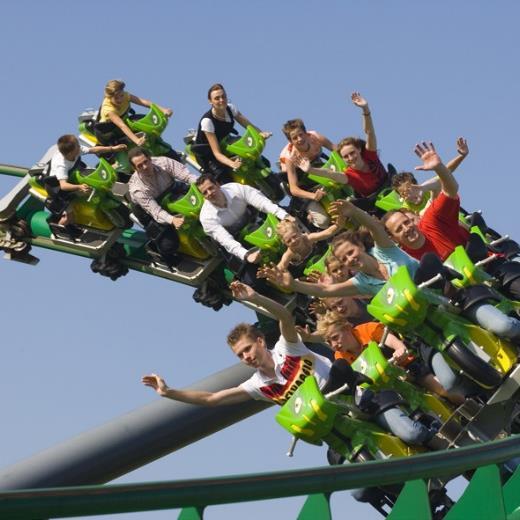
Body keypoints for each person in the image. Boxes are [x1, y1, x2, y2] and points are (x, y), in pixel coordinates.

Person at [142, 281, 437, 445]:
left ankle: (438, 438)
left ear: (260, 341)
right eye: (240, 356)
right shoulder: (259, 386)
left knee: (409, 433)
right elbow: (211, 398)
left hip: (355, 398)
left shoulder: (288, 347)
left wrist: (256, 296)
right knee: (360, 491)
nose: (246, 357)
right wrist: (170, 393)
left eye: (247, 349)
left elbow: (284, 317)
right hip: (334, 424)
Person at [383, 142, 520, 342]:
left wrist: (439, 167)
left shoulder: (429, 217)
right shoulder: (404, 260)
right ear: (393, 239)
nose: (407, 228)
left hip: (486, 264)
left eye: (406, 223)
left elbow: (450, 187)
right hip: (465, 294)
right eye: (399, 229)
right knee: (504, 325)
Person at [259, 198, 420, 299]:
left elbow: (374, 227)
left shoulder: (384, 250)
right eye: (344, 259)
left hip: (432, 286)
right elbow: (325, 290)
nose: (350, 259)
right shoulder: (361, 282)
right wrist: (294, 285)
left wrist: (354, 211)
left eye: (350, 252)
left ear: (361, 246)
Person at [315, 311, 465, 405]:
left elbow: (394, 343)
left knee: (441, 389)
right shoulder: (339, 357)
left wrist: (400, 350)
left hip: (406, 367)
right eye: (328, 342)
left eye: (335, 337)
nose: (334, 344)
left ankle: (470, 405)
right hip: (384, 385)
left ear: (347, 328)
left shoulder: (368, 329)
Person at [196, 174, 292, 286]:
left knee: (292, 233)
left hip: (257, 224)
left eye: (211, 188)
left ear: (218, 185)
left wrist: (285, 216)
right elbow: (226, 240)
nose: (210, 193)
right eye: (205, 192)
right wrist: (246, 255)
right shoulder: (206, 217)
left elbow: (263, 203)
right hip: (240, 241)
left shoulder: (236, 189)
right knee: (253, 282)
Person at [128, 147, 197, 267]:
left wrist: (201, 185)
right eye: (140, 166)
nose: (145, 167)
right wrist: (172, 220)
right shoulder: (137, 188)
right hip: (150, 208)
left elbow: (187, 176)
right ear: (134, 168)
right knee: (168, 245)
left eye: (146, 162)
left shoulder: (163, 162)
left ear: (150, 159)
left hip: (171, 191)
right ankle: (160, 252)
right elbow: (155, 211)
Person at [311, 92, 388, 199]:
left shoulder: (370, 155)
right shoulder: (349, 175)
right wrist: (309, 170)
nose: (350, 158)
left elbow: (369, 132)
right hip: (377, 207)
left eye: (352, 153)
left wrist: (365, 109)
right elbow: (329, 173)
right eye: (346, 157)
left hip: (391, 190)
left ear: (359, 150)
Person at [193, 83, 272, 184]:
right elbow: (216, 153)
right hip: (208, 154)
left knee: (256, 155)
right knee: (227, 181)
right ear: (210, 101)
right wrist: (232, 164)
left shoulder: (231, 108)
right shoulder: (207, 121)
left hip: (225, 142)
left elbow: (248, 125)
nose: (221, 100)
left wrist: (261, 133)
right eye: (217, 98)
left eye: (223, 96)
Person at [45, 134, 127, 226]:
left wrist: (113, 148)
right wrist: (79, 187)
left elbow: (93, 150)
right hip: (58, 188)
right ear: (70, 153)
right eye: (77, 146)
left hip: (73, 175)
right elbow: (63, 186)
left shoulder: (76, 150)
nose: (79, 146)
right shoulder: (62, 165)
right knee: (70, 216)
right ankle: (58, 229)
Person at [279, 118, 336, 228]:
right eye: (295, 138)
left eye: (301, 134)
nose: (299, 139)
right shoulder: (290, 158)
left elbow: (336, 149)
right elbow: (294, 189)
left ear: (306, 133)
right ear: (290, 141)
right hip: (303, 185)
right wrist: (313, 196)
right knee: (323, 221)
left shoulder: (315, 137)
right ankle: (307, 217)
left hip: (317, 168)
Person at [390, 137, 469, 215]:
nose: (409, 195)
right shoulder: (407, 209)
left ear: (417, 185)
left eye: (410, 189)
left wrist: (462, 156)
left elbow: (447, 170)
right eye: (404, 194)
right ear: (401, 197)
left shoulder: (427, 188)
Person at [96, 79, 173, 147]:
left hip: (125, 120)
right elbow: (122, 126)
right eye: (116, 98)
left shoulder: (126, 95)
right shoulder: (108, 109)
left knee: (148, 122)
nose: (120, 99)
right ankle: (126, 140)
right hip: (109, 133)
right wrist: (136, 140)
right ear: (109, 97)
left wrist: (163, 110)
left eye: (121, 95)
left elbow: (145, 102)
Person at [276, 216, 344, 273]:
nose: (293, 241)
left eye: (294, 236)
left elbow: (328, 232)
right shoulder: (290, 253)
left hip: (322, 260)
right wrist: (274, 272)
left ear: (299, 232)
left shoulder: (308, 238)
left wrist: (339, 224)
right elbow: (281, 265)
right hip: (306, 272)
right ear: (284, 242)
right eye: (289, 241)